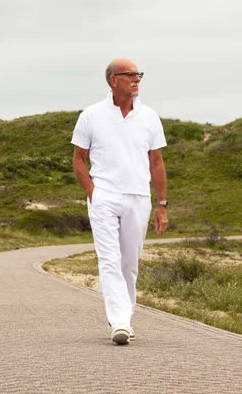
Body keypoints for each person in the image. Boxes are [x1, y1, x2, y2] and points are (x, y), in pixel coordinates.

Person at [71, 58, 168, 345]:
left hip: (139, 197)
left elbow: (157, 162)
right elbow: (78, 158)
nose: (137, 79)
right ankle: (121, 322)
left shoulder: (150, 116)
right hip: (104, 197)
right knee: (109, 260)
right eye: (130, 75)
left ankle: (125, 316)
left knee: (129, 263)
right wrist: (92, 191)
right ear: (114, 80)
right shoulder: (91, 115)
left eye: (139, 74)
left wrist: (162, 204)